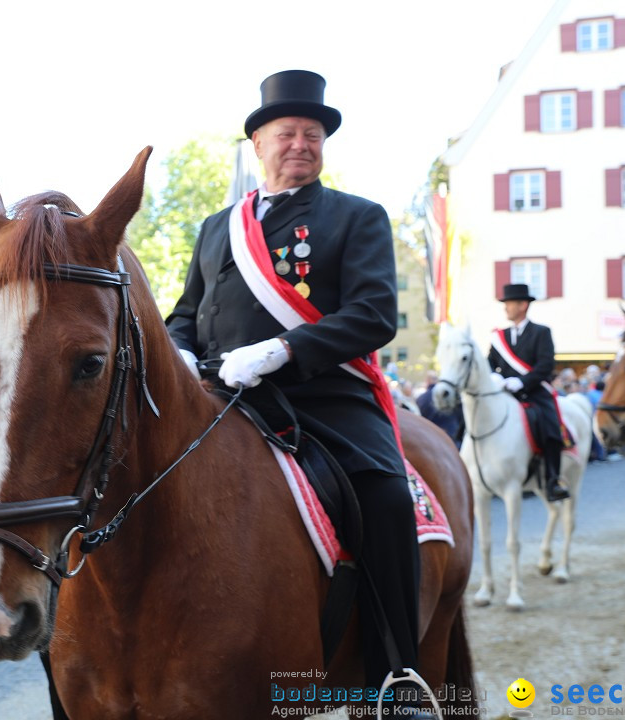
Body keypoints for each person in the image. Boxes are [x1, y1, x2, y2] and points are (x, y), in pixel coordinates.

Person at [166, 69, 420, 704]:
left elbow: (372, 316)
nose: (300, 143)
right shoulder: (216, 227)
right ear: (258, 144)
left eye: (312, 133)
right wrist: (177, 352)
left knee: (387, 497)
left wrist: (282, 348)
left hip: (324, 398)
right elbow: (184, 314)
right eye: (287, 133)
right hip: (220, 399)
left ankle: (399, 672)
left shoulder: (358, 217)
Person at [487, 283, 569, 501]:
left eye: (509, 303)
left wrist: (522, 382)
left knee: (551, 427)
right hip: (504, 393)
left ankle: (553, 480)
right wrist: (494, 377)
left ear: (523, 305)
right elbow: (490, 364)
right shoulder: (499, 336)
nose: (506, 308)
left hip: (533, 391)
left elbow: (545, 365)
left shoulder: (541, 332)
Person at [416, 370, 465, 447]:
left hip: (431, 440)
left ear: (427, 381)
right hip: (452, 439)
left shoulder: (421, 399)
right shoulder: (453, 395)